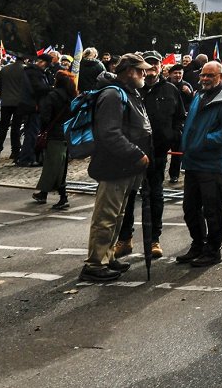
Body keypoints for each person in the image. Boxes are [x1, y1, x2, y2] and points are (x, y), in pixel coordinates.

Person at [79, 54, 153, 283]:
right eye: (140, 70)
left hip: (126, 167)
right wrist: (136, 153)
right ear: (129, 71)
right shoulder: (113, 94)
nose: (145, 74)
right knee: (106, 216)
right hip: (115, 165)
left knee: (117, 216)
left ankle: (107, 256)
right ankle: (95, 264)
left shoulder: (127, 92)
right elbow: (109, 133)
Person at [115, 51, 185, 259]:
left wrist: (173, 136)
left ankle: (154, 238)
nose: (152, 67)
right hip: (132, 153)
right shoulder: (133, 89)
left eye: (156, 64)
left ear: (161, 66)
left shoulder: (170, 89)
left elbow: (180, 117)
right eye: (149, 64)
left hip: (158, 152)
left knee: (155, 196)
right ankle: (125, 238)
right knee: (128, 198)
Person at [177, 59, 222, 267]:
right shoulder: (199, 95)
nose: (204, 78)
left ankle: (213, 250)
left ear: (221, 77)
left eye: (210, 75)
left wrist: (203, 141)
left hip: (213, 164)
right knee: (190, 208)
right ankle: (198, 244)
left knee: (213, 210)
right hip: (193, 162)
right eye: (203, 75)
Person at [32, 69, 75, 210]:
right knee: (57, 166)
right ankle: (43, 194)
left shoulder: (52, 96)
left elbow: (45, 116)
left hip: (54, 134)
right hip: (67, 134)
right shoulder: (73, 96)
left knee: (55, 167)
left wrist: (44, 129)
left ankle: (63, 198)